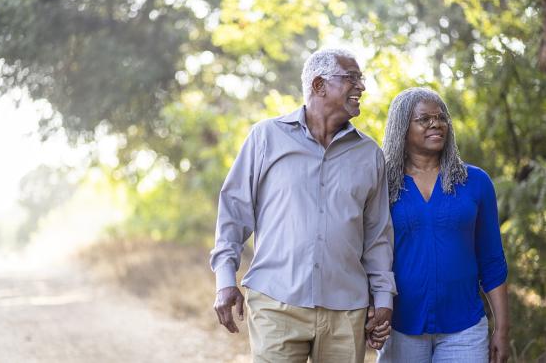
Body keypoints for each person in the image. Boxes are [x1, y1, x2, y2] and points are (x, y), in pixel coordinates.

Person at [210, 48, 396, 363]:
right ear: (319, 85)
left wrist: (382, 298)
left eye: (360, 79)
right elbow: (233, 212)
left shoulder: (370, 154)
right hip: (275, 302)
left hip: (346, 310)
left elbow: (377, 235)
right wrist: (225, 280)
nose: (361, 87)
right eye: (351, 78)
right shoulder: (266, 137)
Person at [374, 87, 509, 362]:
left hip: (465, 329)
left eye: (441, 117)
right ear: (402, 128)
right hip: (400, 327)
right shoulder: (381, 185)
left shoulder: (475, 182)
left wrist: (502, 329)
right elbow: (369, 255)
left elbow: (492, 260)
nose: (436, 123)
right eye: (424, 119)